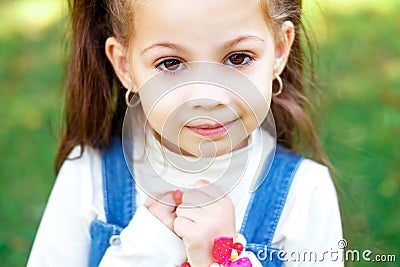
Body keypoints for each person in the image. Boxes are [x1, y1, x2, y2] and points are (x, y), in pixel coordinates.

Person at [27, 0, 343, 266]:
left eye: (237, 58)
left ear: (278, 50)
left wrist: (223, 258)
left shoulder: (304, 195)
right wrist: (145, 250)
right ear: (125, 66)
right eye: (171, 63)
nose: (208, 96)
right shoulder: (89, 176)